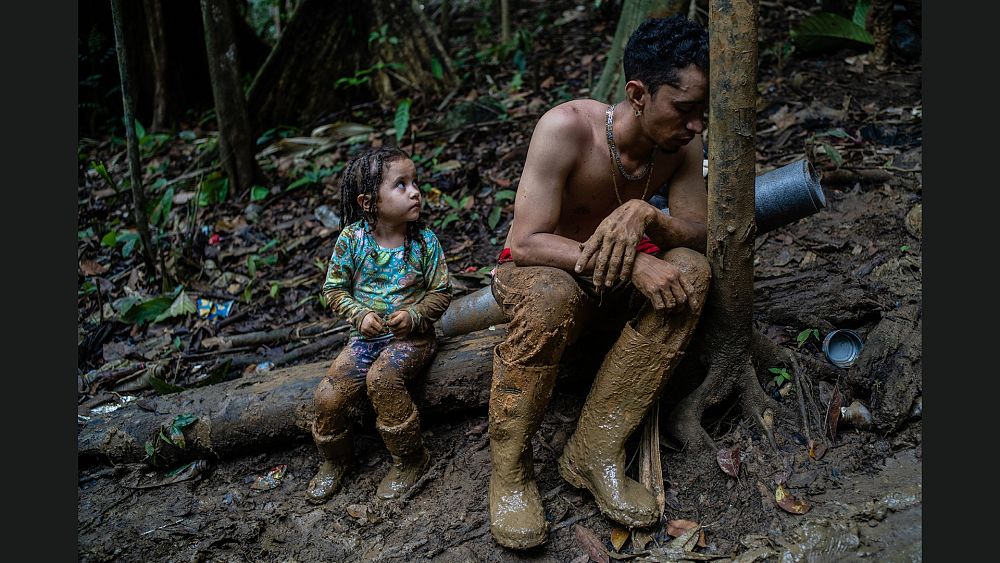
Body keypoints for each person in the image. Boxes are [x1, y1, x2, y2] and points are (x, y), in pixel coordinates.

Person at [487, 15, 712, 549]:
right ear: (638, 93)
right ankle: (510, 473)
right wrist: (632, 263)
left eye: (703, 112)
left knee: (693, 273)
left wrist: (648, 216)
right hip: (544, 272)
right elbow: (526, 242)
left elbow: (699, 234)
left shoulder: (680, 148)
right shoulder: (565, 128)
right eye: (684, 109)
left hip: (611, 286)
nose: (697, 125)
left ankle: (595, 449)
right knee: (551, 296)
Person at [306, 146, 452, 504]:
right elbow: (334, 289)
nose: (415, 191)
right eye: (401, 185)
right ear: (369, 202)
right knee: (327, 396)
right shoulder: (352, 241)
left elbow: (442, 292)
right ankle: (335, 460)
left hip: (412, 340)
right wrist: (360, 315)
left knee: (383, 379)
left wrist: (415, 315)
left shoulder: (424, 243)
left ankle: (410, 458)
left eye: (414, 182)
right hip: (364, 341)